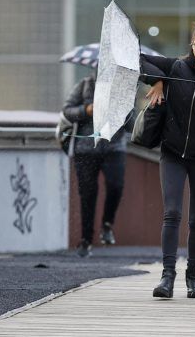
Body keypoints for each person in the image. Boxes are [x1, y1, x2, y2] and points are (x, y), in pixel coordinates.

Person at [140, 22, 195, 299]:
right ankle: (167, 276)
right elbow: (138, 59)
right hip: (173, 152)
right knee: (172, 214)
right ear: (191, 44)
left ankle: (194, 275)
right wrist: (159, 79)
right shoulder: (176, 68)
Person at [62, 72, 128, 258]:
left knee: (116, 186)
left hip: (114, 146)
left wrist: (117, 110)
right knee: (88, 194)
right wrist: (87, 110)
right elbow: (67, 110)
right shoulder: (84, 84)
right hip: (85, 148)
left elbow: (130, 118)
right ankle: (86, 239)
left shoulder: (122, 87)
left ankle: (107, 224)